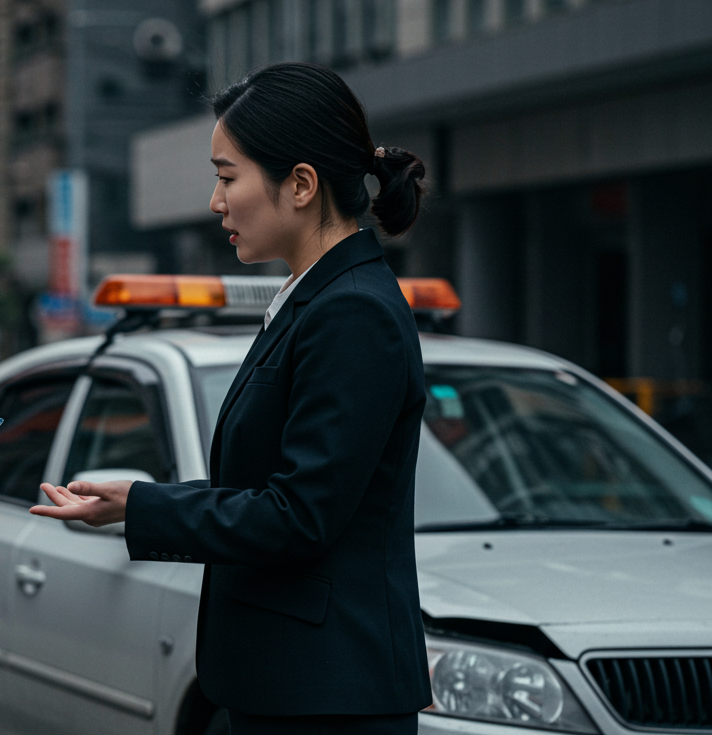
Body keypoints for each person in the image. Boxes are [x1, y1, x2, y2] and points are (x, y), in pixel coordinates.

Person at [31, 62, 433, 734]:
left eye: (226, 176)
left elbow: (299, 516)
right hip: (292, 686)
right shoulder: (316, 298)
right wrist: (135, 501)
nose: (216, 201)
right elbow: (274, 492)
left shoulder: (352, 312)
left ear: (300, 184)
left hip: (326, 700)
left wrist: (143, 506)